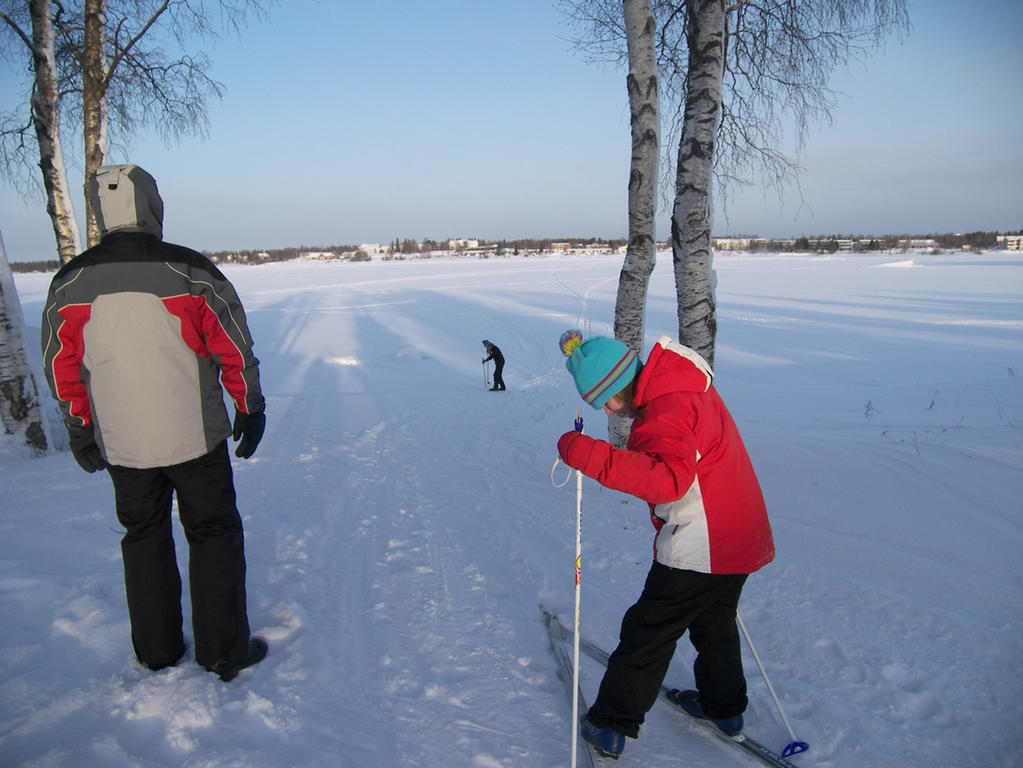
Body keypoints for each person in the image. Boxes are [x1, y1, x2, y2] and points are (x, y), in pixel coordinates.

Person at [41, 164, 268, 682]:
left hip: (124, 445)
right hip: (196, 437)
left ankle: (157, 650)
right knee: (212, 534)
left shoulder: (68, 283)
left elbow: (62, 368)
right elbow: (233, 347)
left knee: (143, 538)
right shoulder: (190, 271)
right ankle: (222, 651)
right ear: (152, 204)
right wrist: (249, 408)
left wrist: (81, 428)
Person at [555, 329, 775, 760]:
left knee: (649, 632)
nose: (612, 413)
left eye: (607, 403)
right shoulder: (681, 385)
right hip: (739, 533)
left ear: (617, 388)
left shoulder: (665, 409)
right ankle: (724, 708)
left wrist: (586, 454)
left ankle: (610, 724)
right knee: (715, 624)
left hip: (704, 542)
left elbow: (667, 480)